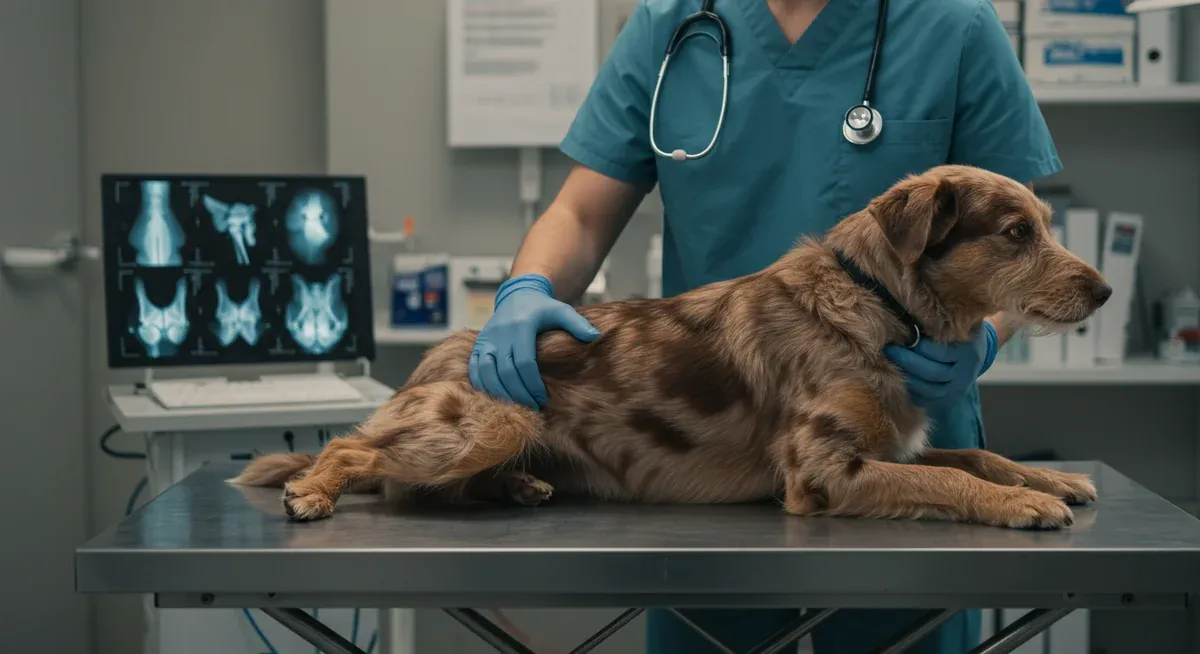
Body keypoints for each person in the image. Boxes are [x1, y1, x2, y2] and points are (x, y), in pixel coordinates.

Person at [466, 0, 1060, 651]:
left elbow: (1017, 249)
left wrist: (988, 338)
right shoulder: (671, 23)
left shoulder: (954, 26)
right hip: (711, 433)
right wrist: (527, 291)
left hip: (899, 436)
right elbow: (580, 214)